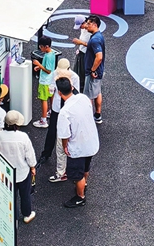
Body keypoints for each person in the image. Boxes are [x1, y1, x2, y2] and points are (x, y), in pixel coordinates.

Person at [56, 76, 99, 208]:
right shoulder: (83, 98)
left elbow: (64, 134)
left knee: (77, 174)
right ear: (72, 87)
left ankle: (80, 197)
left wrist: (65, 147)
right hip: (91, 141)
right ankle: (84, 184)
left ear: (59, 92)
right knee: (86, 166)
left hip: (78, 146)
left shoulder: (64, 112)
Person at [0, 111, 38, 223]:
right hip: (22, 171)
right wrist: (33, 167)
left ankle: (12, 218)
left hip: (6, 173)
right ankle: (27, 214)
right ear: (16, 125)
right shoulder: (23, 137)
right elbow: (30, 155)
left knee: (10, 197)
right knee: (25, 195)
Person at [43, 60, 79, 182]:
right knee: (52, 131)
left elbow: (76, 93)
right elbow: (51, 88)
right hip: (57, 109)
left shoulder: (75, 77)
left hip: (68, 111)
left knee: (65, 138)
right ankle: (46, 153)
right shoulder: (54, 73)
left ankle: (63, 169)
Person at [71, 15, 105, 123]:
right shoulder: (98, 36)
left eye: (88, 24)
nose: (86, 26)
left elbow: (99, 57)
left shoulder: (94, 39)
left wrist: (92, 70)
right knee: (97, 91)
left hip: (93, 72)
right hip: (97, 71)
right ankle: (97, 115)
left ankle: (88, 119)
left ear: (94, 25)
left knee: (88, 96)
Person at [31, 35, 56, 128]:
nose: (40, 48)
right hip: (50, 81)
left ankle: (43, 120)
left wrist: (38, 64)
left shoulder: (48, 56)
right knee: (50, 96)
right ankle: (51, 112)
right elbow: (49, 68)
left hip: (45, 81)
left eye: (41, 46)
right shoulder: (52, 53)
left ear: (46, 46)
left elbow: (48, 70)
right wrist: (40, 66)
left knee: (43, 100)